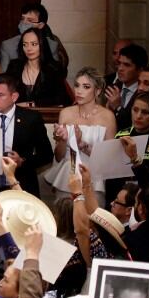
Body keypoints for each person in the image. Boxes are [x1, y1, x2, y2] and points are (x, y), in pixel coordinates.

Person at [47, 68, 116, 201]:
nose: (79, 91)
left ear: (98, 91)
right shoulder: (65, 113)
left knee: (92, 219)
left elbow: (109, 160)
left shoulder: (107, 116)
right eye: (77, 85)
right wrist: (62, 140)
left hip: (94, 179)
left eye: (86, 87)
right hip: (68, 175)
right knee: (65, 218)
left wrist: (82, 145)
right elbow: (59, 156)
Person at [6, 27, 71, 107]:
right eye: (25, 45)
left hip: (45, 115)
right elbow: (6, 93)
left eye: (34, 44)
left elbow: (61, 98)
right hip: (18, 115)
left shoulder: (54, 68)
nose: (29, 49)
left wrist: (30, 104)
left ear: (42, 45)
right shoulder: (14, 66)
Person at [0, 2, 70, 71]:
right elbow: (5, 77)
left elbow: (55, 74)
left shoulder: (51, 45)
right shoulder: (8, 45)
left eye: (30, 20)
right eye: (22, 19)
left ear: (41, 25)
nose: (24, 23)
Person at [107, 43, 148, 130]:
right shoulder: (112, 88)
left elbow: (134, 125)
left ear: (140, 70)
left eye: (126, 65)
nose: (120, 68)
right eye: (119, 63)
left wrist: (118, 107)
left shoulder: (144, 93)